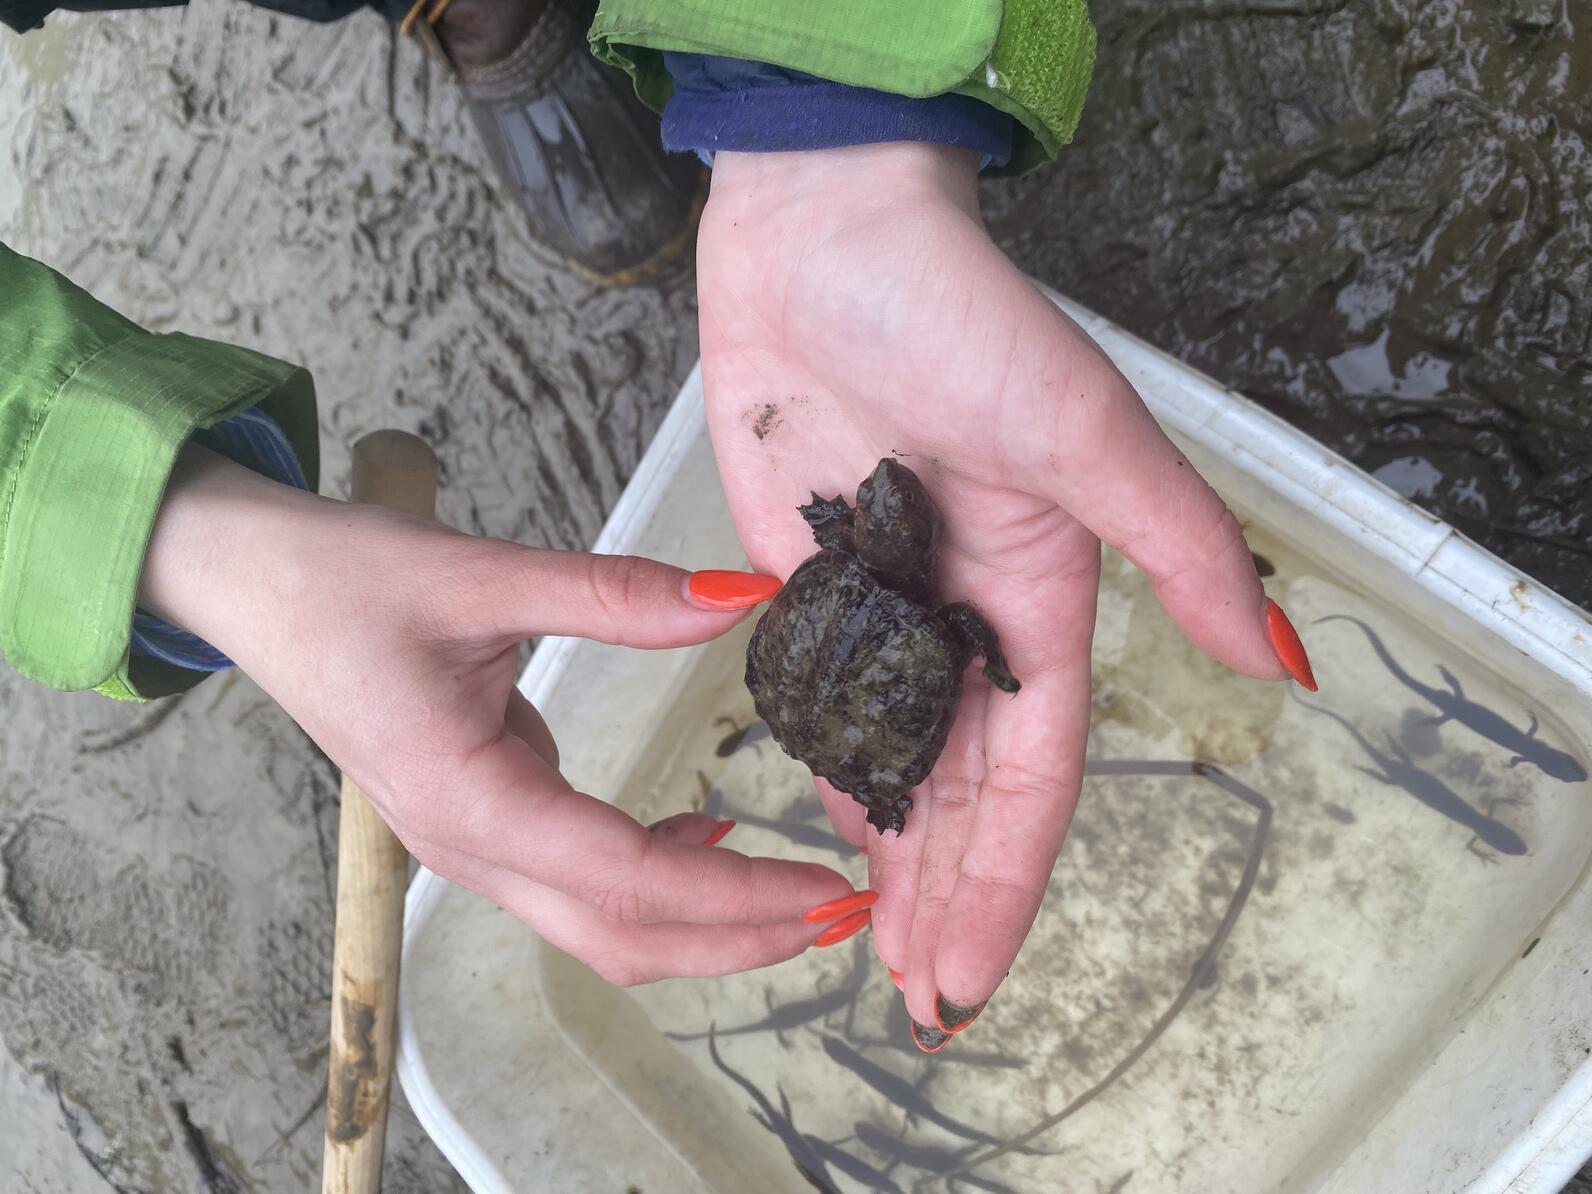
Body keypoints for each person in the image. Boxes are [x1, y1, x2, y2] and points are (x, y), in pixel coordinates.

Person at [0, 0, 1317, 1055]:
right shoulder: (893, 569)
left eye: (869, 507)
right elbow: (961, 628)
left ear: (866, 529)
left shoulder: (864, 557)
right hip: (850, 673)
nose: (880, 495)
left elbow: (924, 603)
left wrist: (826, 115)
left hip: (848, 676)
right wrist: (184, 530)